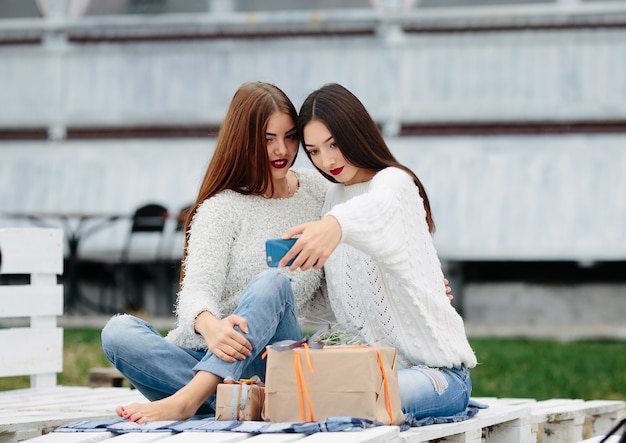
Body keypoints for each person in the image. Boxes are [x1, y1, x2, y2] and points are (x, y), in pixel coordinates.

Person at [101, 81, 332, 423]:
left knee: (272, 283)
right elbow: (197, 288)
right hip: (203, 353)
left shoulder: (317, 191)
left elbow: (344, 273)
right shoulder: (220, 209)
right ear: (245, 140)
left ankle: (190, 400)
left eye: (290, 136)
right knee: (117, 334)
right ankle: (241, 401)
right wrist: (209, 325)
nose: (282, 149)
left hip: (273, 359)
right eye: (268, 139)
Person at [280, 83, 477, 420]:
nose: (326, 160)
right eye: (313, 151)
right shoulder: (335, 198)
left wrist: (334, 225)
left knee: (353, 400)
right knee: (295, 396)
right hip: (364, 372)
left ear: (355, 133)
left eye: (334, 144)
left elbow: (378, 209)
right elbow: (344, 300)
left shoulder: (393, 183)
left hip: (436, 375)